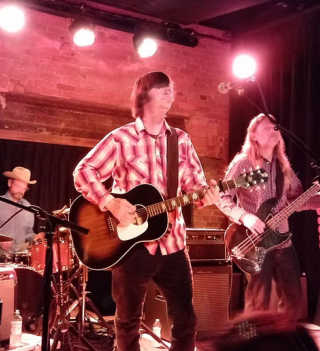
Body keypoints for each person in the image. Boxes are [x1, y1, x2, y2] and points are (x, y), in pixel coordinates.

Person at [73, 71, 220, 351]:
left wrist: (207, 195)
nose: (170, 90)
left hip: (174, 243)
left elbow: (194, 186)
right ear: (144, 95)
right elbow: (83, 171)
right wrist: (110, 202)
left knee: (185, 320)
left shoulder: (181, 140)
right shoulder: (121, 138)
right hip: (131, 246)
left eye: (171, 87)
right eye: (162, 86)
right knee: (127, 321)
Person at [217, 114, 319, 322]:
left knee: (294, 300)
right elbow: (222, 196)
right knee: (257, 303)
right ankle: (250, 345)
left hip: (282, 240)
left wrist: (319, 198)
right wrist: (245, 217)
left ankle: (284, 343)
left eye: (275, 127)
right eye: (267, 128)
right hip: (253, 242)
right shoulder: (242, 162)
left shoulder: (284, 166)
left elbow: (297, 200)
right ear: (254, 136)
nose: (274, 130)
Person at [0, 166, 37, 256]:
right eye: (18, 186)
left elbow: (27, 234)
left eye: (24, 188)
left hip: (21, 255)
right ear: (10, 183)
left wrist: (35, 238)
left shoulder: (28, 207)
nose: (21, 191)